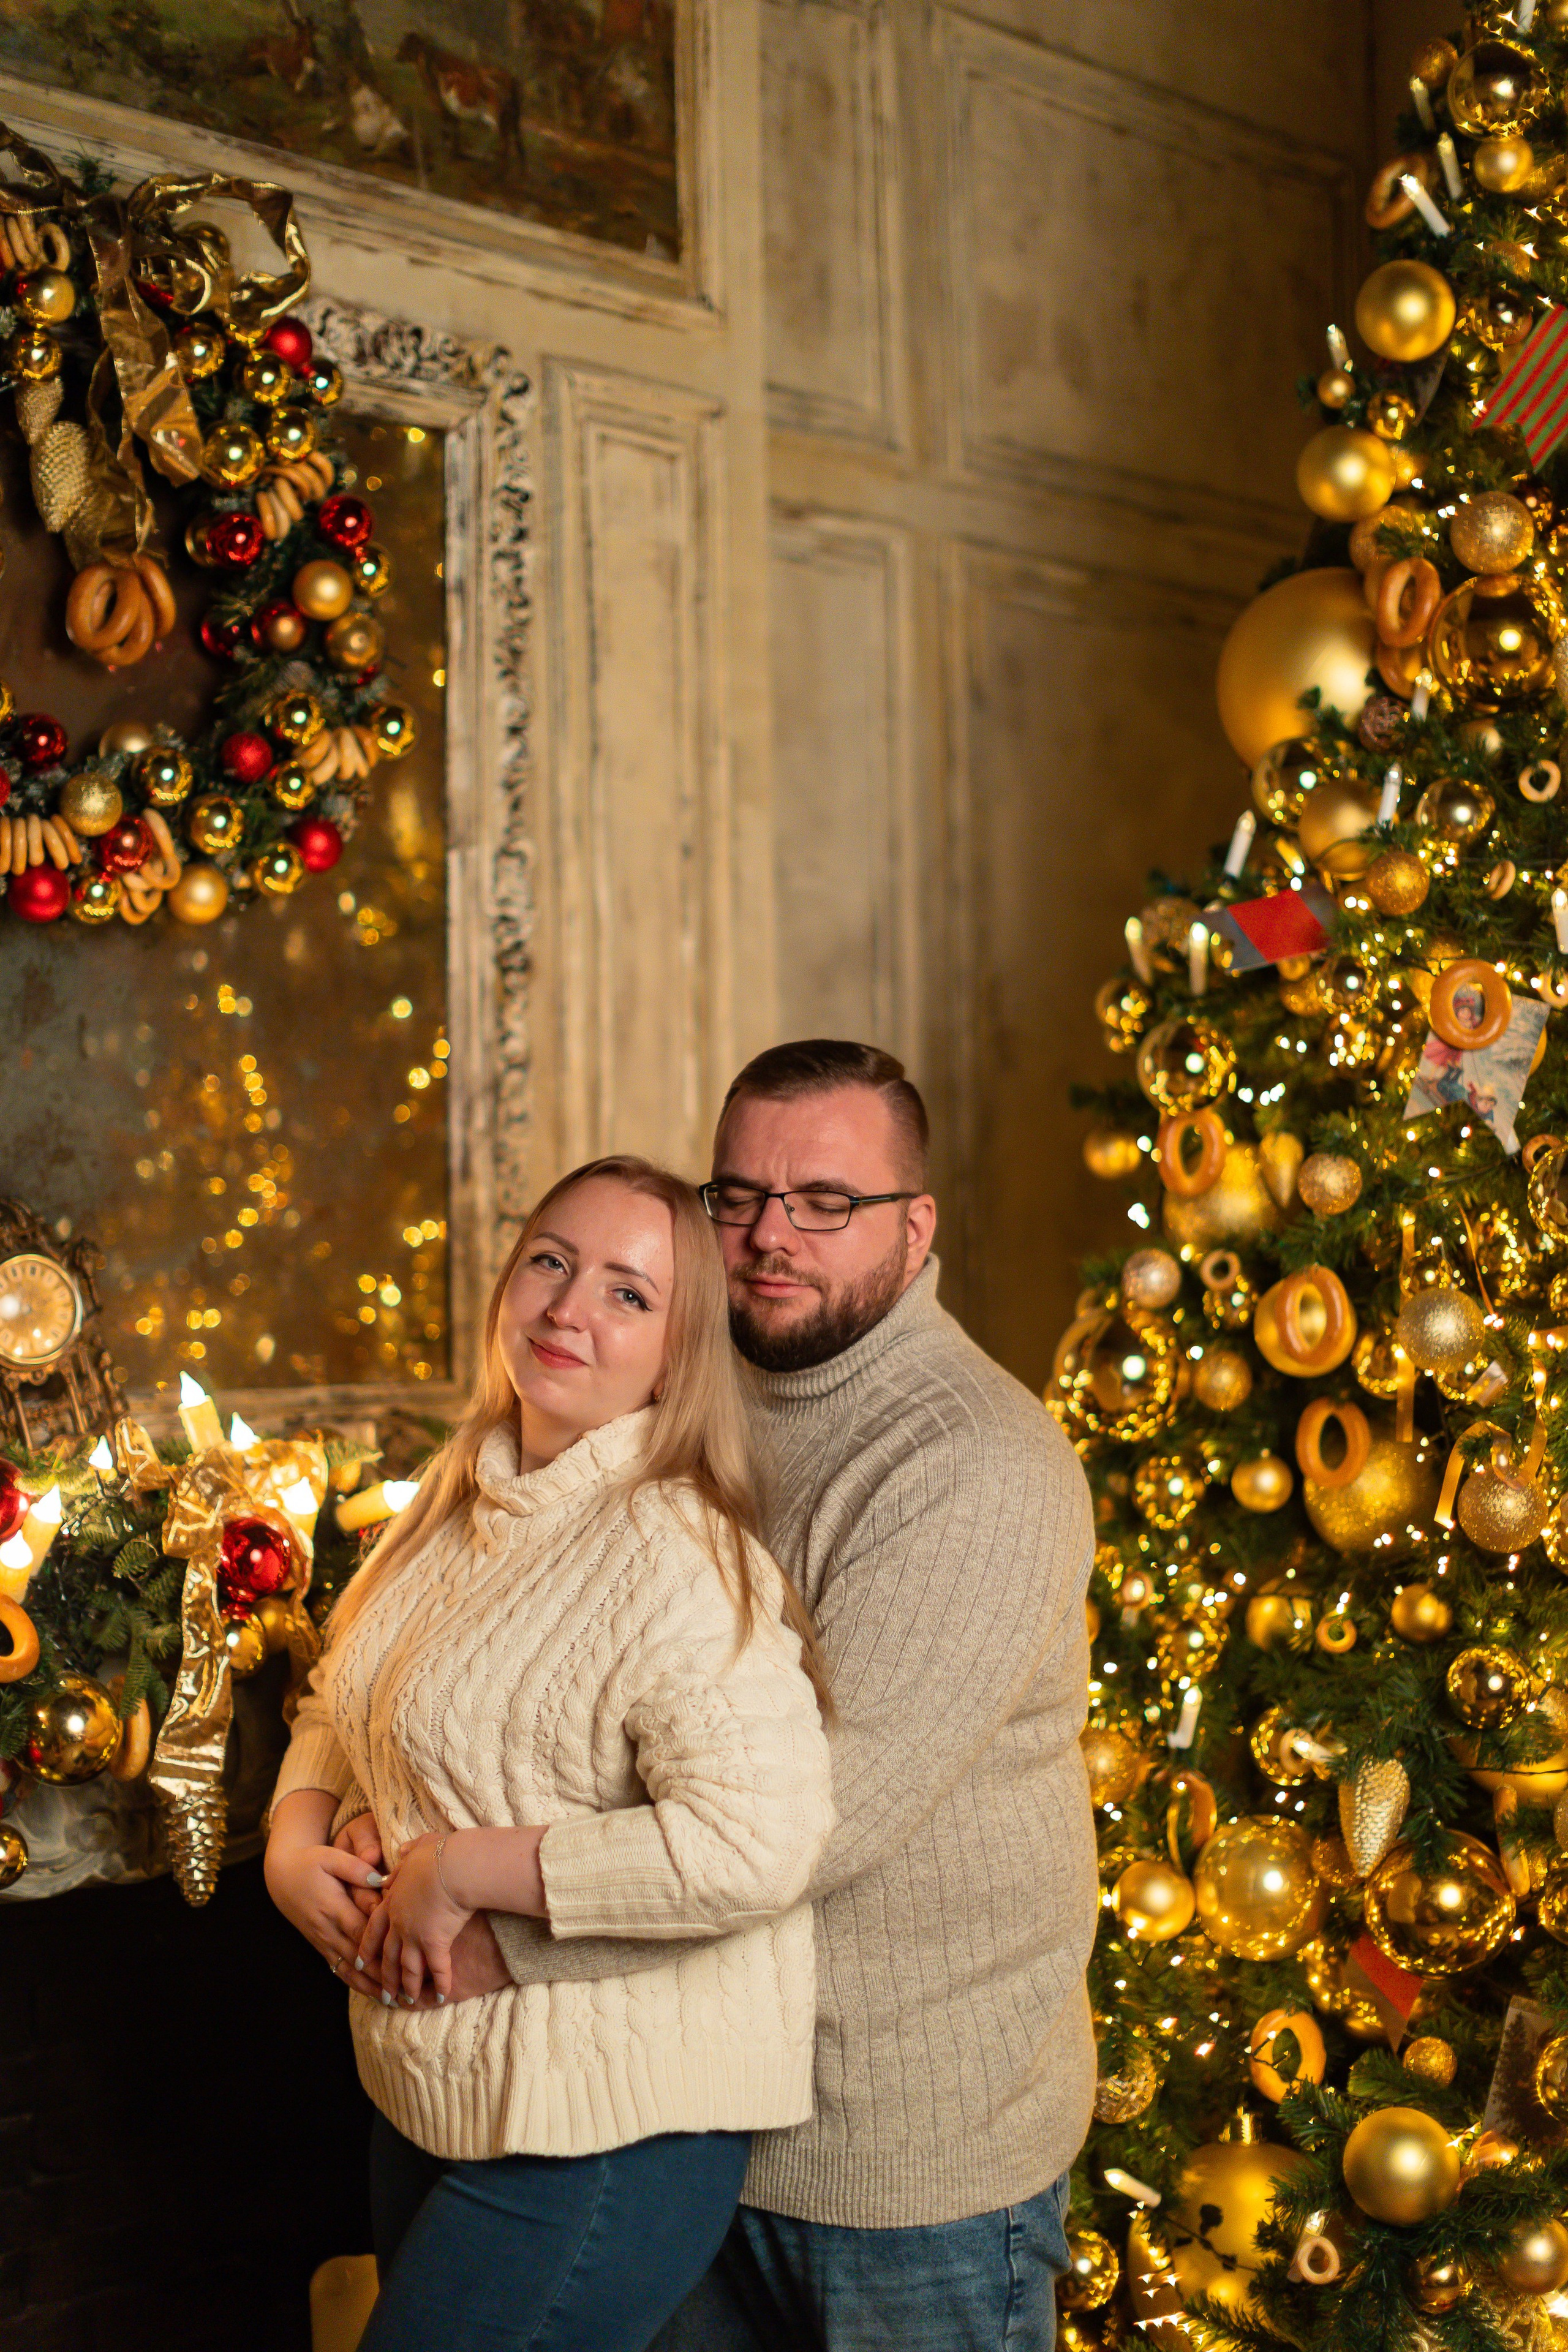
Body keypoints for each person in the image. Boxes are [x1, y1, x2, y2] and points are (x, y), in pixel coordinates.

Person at [342, 1040, 1098, 2350]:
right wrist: (381, 1812)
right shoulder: (676, 1394)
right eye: (736, 1198)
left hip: (902, 2155)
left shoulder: (972, 1463)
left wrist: (471, 1906)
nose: (766, 1237)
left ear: (913, 1228)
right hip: (691, 2102)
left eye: (825, 1203)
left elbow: (809, 1823)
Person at [265, 1156, 836, 2352]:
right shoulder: (455, 1500)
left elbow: (756, 1844)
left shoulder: (676, 1556)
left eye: (629, 1294)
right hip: (431, 2088)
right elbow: (344, 1692)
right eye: (551, 1262)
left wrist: (461, 1869)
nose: (569, 1308)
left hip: (605, 2132)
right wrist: (296, 1837)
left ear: (680, 1355)